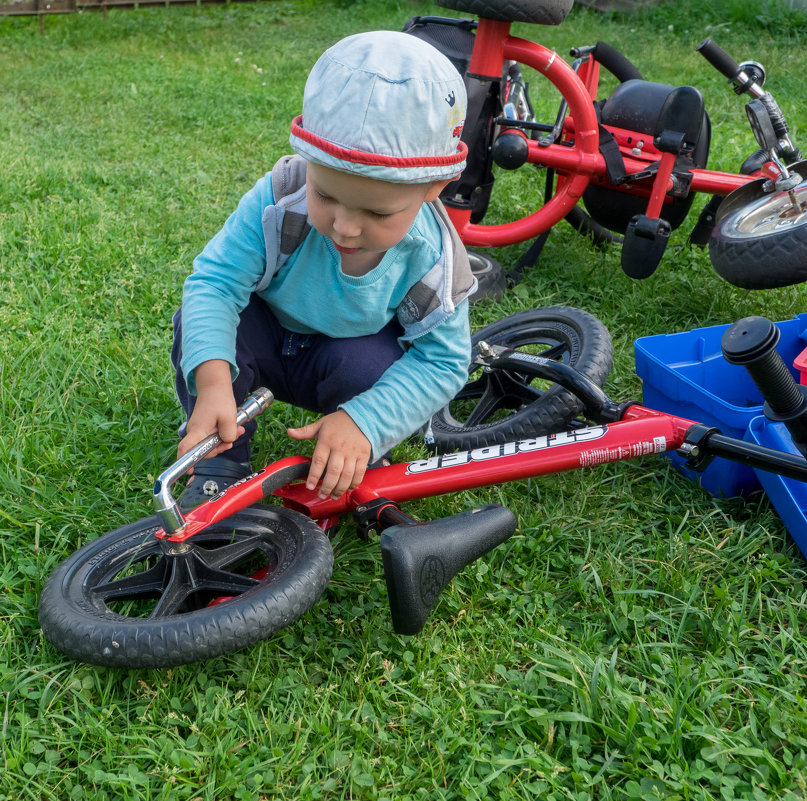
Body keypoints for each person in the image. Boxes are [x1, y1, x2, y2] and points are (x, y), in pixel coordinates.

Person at [171, 29, 476, 509]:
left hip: (346, 360)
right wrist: (211, 384)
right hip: (266, 338)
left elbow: (444, 359)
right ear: (308, 161)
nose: (346, 227)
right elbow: (215, 283)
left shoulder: (433, 257)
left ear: (435, 185)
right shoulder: (281, 196)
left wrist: (367, 421)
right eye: (326, 195)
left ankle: (349, 449)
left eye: (378, 214)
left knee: (373, 370)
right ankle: (220, 463)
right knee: (202, 327)